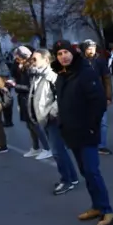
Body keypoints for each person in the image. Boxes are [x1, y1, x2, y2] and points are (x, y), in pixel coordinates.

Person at [52, 40, 113, 225]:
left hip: (86, 132)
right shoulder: (62, 75)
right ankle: (96, 206)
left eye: (66, 52)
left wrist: (91, 127)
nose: (64, 56)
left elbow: (99, 103)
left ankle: (106, 209)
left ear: (74, 53)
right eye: (60, 53)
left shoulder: (85, 73)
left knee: (92, 172)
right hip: (71, 133)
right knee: (85, 172)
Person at [28, 49, 78, 194]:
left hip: (53, 118)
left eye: (35, 59)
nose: (32, 62)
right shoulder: (37, 74)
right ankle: (72, 177)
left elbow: (61, 96)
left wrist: (52, 113)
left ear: (46, 60)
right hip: (45, 118)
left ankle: (66, 180)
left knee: (57, 151)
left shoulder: (52, 75)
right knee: (59, 150)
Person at [12, 46, 52, 160]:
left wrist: (15, 86)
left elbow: (31, 87)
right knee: (30, 125)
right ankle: (35, 147)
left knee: (36, 124)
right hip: (24, 98)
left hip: (30, 98)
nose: (16, 59)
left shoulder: (31, 68)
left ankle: (47, 148)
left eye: (18, 56)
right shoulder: (21, 67)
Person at [81, 39, 113, 156]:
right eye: (89, 48)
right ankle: (90, 142)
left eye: (93, 48)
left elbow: (107, 79)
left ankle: (102, 145)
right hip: (85, 96)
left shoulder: (100, 61)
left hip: (99, 95)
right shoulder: (80, 62)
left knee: (103, 122)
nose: (91, 51)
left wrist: (108, 96)